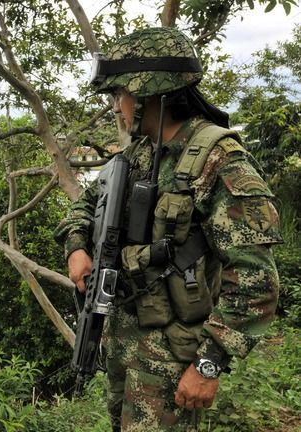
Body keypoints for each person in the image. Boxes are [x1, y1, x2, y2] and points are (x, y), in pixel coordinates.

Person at [54, 27, 282, 431]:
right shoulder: (138, 154)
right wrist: (77, 248)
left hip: (172, 361)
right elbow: (83, 208)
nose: (114, 107)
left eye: (118, 94)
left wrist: (208, 364)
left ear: (148, 94)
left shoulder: (220, 161)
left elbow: (256, 281)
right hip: (124, 347)